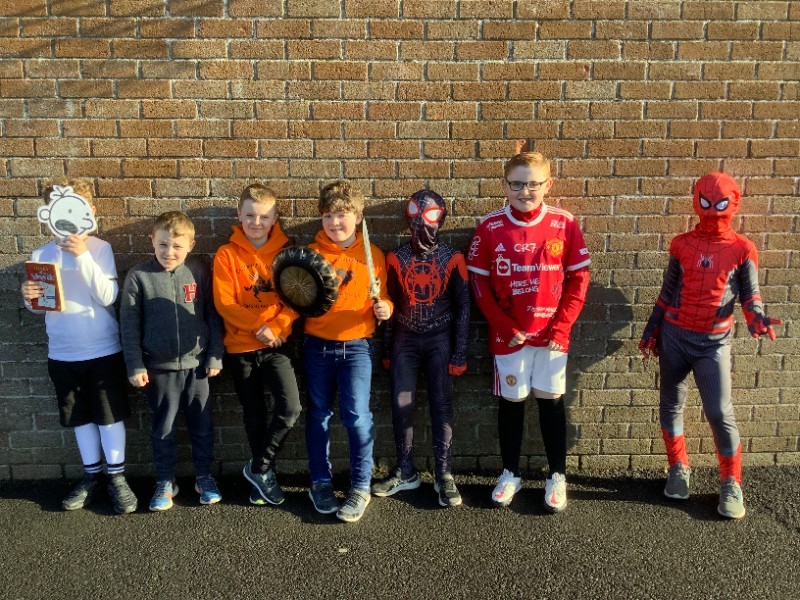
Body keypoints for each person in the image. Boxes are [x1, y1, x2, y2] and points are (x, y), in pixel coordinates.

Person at [639, 172, 782, 520]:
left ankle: (731, 481)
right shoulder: (681, 244)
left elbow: (750, 293)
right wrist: (652, 328)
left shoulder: (742, 249)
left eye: (720, 204)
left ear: (734, 203)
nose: (712, 210)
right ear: (696, 201)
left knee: (719, 412)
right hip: (674, 337)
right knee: (671, 404)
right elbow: (668, 290)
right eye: (705, 202)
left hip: (713, 343)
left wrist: (757, 318)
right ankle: (678, 467)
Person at [467, 146, 591, 513]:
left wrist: (562, 326)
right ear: (504, 185)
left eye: (534, 184)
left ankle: (557, 475)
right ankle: (510, 473)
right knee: (512, 403)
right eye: (517, 184)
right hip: (510, 337)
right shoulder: (490, 227)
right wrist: (503, 324)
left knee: (551, 403)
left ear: (548, 185)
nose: (526, 191)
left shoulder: (564, 223)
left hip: (552, 336)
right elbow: (479, 284)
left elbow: (579, 279)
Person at [21, 179, 137, 514]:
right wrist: (30, 299)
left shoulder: (99, 249)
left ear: (90, 212)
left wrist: (82, 256)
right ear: (48, 215)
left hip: (102, 350)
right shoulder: (42, 254)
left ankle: (117, 478)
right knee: (80, 418)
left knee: (109, 416)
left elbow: (107, 296)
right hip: (63, 353)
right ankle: (91, 476)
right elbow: (42, 305)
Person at [371, 189, 470, 508]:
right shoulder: (395, 257)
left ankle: (444, 473)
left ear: (441, 218)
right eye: (416, 214)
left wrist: (459, 352)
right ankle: (405, 470)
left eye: (430, 216)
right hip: (405, 338)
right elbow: (388, 303)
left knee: (441, 403)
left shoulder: (453, 258)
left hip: (440, 338)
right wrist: (388, 350)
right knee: (401, 404)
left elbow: (464, 307)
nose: (422, 224)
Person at [120, 211, 224, 511]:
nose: (169, 252)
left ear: (191, 245)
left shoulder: (199, 271)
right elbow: (129, 325)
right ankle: (165, 480)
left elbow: (213, 314)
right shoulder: (139, 276)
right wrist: (135, 364)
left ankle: (204, 477)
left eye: (177, 246)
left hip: (198, 367)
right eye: (163, 244)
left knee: (202, 426)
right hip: (159, 370)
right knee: (163, 428)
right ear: (152, 241)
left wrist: (215, 354)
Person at [303, 180, 393, 523]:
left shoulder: (372, 255)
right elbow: (295, 297)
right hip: (317, 345)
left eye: (342, 215)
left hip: (357, 347)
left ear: (358, 216)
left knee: (357, 417)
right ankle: (320, 482)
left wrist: (385, 307)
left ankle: (360, 485)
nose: (334, 222)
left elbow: (383, 297)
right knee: (319, 415)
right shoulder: (310, 254)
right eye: (328, 216)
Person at [213, 184, 302, 506]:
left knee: (290, 409)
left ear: (275, 218)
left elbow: (297, 298)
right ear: (239, 215)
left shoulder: (286, 254)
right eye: (250, 215)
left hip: (276, 345)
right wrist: (258, 327)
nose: (256, 222)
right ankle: (264, 479)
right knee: (254, 416)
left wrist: (275, 327)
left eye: (264, 216)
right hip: (241, 348)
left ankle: (258, 468)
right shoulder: (226, 255)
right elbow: (225, 303)